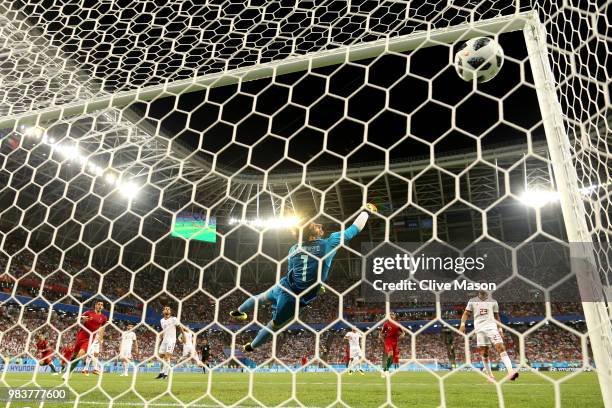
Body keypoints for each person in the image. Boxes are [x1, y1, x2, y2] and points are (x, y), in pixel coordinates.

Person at [230, 205, 376, 352]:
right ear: (311, 234)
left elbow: (292, 269)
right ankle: (251, 346)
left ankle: (239, 311)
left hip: (284, 285)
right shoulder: (328, 243)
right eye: (315, 226)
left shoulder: (293, 248)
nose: (320, 225)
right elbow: (356, 228)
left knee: (261, 298)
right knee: (274, 326)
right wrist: (366, 211)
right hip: (294, 299)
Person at [460, 291, 518, 382]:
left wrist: (500, 329)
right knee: (484, 352)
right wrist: (462, 324)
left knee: (501, 347)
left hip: (492, 328)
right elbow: (466, 313)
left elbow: (497, 316)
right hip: (479, 329)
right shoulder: (472, 301)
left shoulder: (493, 301)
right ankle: (490, 376)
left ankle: (511, 372)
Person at [64, 300, 107, 379]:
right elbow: (78, 319)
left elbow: (102, 328)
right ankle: (69, 369)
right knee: (75, 355)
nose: (100, 305)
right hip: (81, 335)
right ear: (95, 305)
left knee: (80, 355)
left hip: (90, 338)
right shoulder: (88, 313)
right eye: (98, 304)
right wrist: (82, 318)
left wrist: (101, 338)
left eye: (102, 304)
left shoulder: (103, 318)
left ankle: (67, 373)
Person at [156, 306, 182, 379]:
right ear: (163, 311)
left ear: (170, 311)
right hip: (164, 340)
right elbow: (164, 330)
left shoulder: (174, 319)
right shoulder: (162, 320)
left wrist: (184, 335)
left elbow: (180, 327)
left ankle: (166, 374)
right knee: (161, 356)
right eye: (165, 309)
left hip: (171, 340)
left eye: (168, 309)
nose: (167, 309)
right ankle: (161, 373)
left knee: (167, 356)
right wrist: (160, 338)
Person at [380, 312, 404, 377]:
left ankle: (384, 370)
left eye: (392, 314)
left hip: (395, 342)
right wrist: (383, 337)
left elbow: (403, 333)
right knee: (390, 354)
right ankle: (386, 370)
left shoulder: (398, 324)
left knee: (393, 358)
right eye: (390, 315)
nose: (391, 316)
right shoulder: (386, 324)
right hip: (388, 341)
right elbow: (381, 334)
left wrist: (401, 336)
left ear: (395, 316)